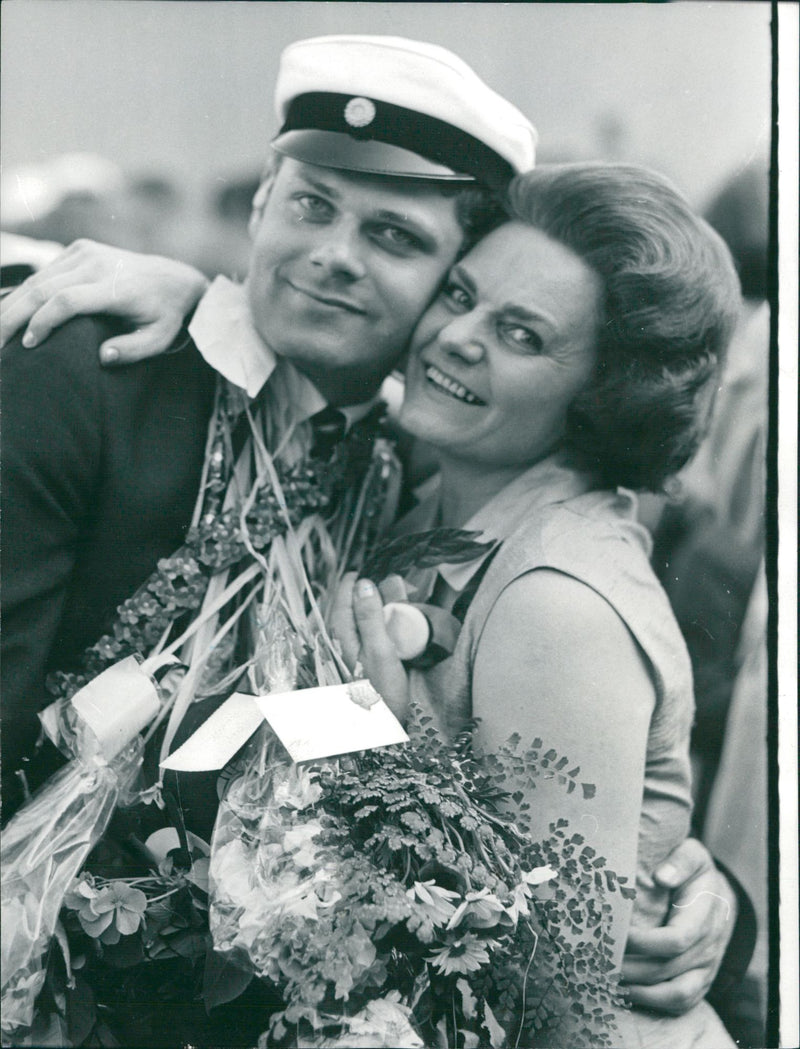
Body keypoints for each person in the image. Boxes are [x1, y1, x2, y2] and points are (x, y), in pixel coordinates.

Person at [0, 44, 745, 1026]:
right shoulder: (96, 375)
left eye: (392, 235)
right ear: (260, 202)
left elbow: (564, 833)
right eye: (310, 205)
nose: (333, 254)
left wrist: (710, 895)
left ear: (449, 268)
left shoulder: (415, 465)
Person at [329, 161, 743, 1047]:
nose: (454, 336)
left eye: (520, 334)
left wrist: (371, 746)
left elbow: (550, 1001)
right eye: (462, 295)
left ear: (601, 396)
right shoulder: (437, 489)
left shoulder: (558, 600)